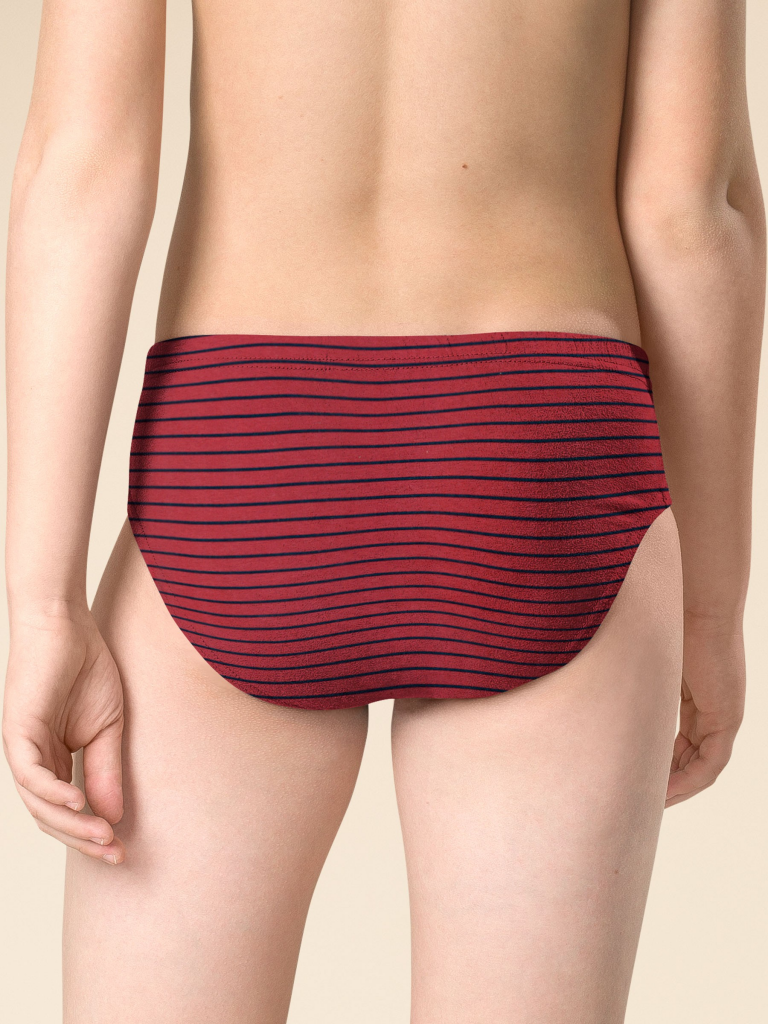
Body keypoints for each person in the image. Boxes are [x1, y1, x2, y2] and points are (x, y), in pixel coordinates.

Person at [3, 0, 765, 1020]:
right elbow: (693, 208)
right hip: (538, 458)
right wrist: (712, 608)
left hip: (246, 460)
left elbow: (82, 162)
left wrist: (42, 605)